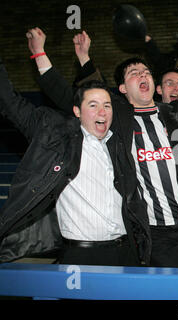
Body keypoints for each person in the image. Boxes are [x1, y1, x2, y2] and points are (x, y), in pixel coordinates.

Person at [29, 21, 178, 268]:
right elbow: (75, 98)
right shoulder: (118, 120)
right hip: (157, 233)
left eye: (146, 72)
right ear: (122, 89)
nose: (143, 74)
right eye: (134, 73)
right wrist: (42, 55)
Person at [0, 59, 151, 266]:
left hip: (125, 253)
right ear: (77, 112)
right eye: (93, 105)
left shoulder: (118, 145)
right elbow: (11, 103)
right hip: (80, 256)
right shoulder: (57, 139)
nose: (102, 112)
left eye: (107, 105)